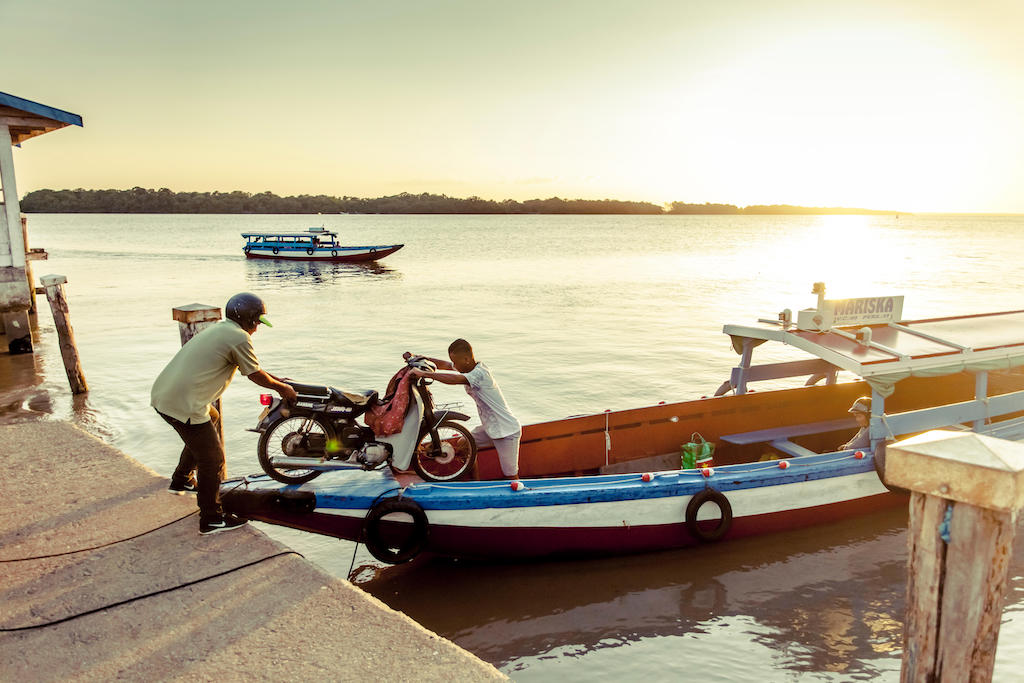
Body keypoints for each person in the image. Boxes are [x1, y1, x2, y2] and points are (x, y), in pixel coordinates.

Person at [151, 292, 297, 535]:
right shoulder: (239, 337)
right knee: (213, 459)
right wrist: (283, 388)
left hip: (165, 395)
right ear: (249, 319)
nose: (257, 329)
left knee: (211, 421)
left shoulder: (222, 329)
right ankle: (211, 518)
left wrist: (276, 380)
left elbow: (253, 366)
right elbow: (255, 375)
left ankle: (182, 480)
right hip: (184, 404)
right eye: (257, 323)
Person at [405, 339, 522, 480]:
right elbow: (445, 365)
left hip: (506, 431)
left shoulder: (479, 374)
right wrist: (421, 358)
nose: (454, 365)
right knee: (463, 445)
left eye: (455, 362)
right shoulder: (468, 367)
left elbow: (455, 379)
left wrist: (425, 374)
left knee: (510, 474)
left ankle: (518, 495)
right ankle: (475, 483)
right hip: (490, 427)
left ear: (466, 359)